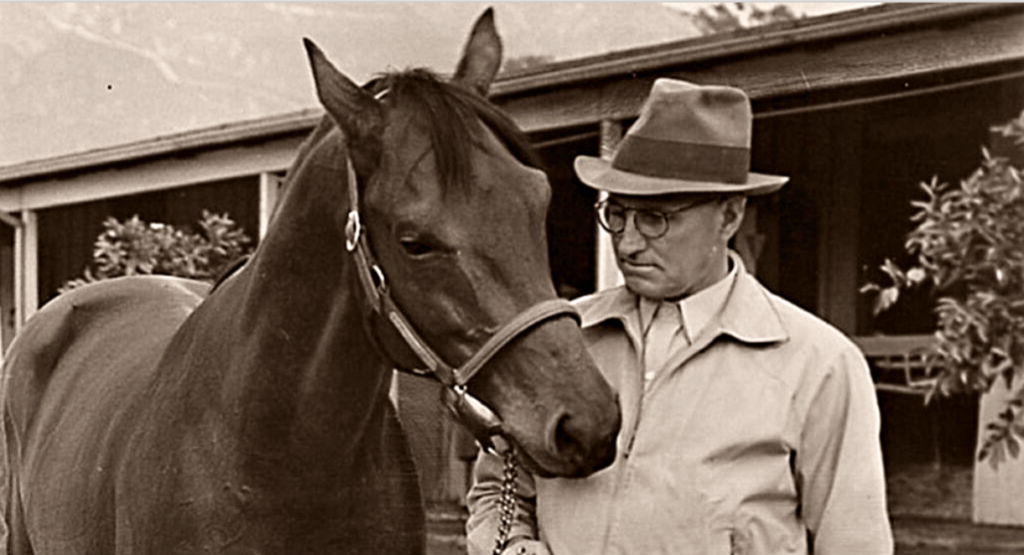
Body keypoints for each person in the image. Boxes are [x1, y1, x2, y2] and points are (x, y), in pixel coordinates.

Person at [466, 78, 893, 555]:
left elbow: (855, 545)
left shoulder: (819, 364)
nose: (627, 242)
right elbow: (498, 492)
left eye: (655, 218)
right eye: (618, 214)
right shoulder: (564, 338)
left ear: (730, 216)